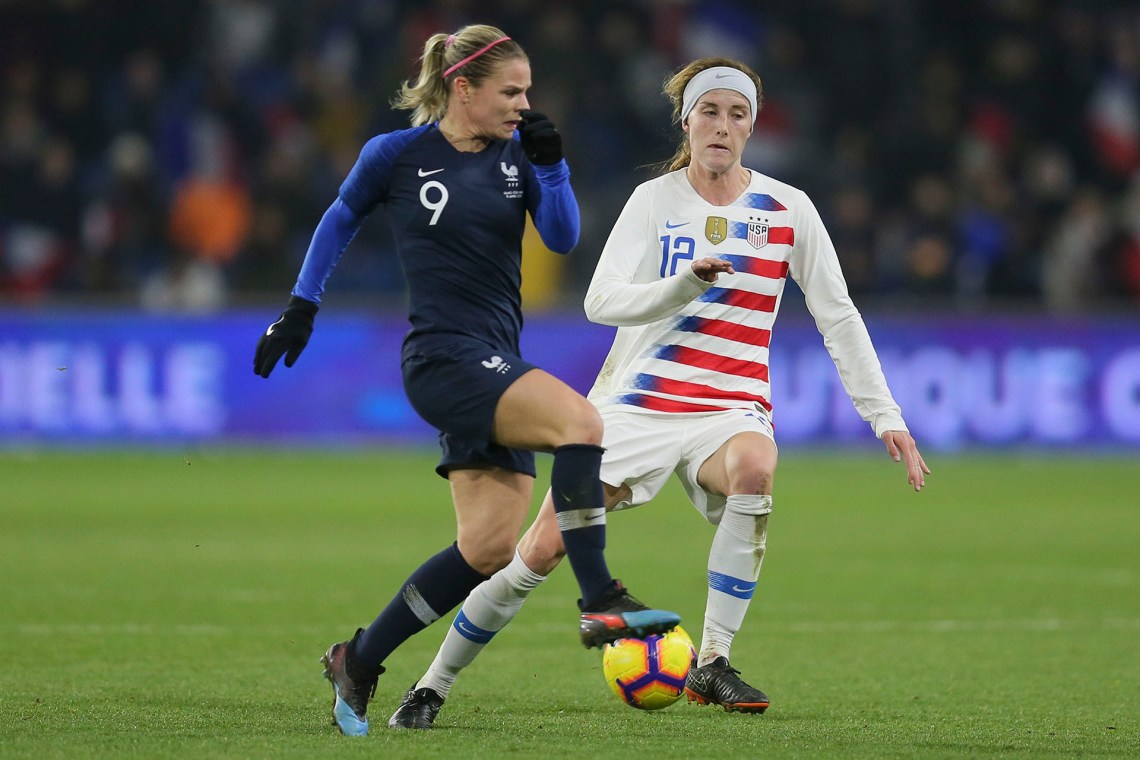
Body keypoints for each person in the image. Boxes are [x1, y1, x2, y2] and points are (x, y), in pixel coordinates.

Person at [387, 56, 930, 729]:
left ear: (752, 127)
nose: (723, 125)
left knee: (756, 468)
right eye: (710, 111)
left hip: (729, 409)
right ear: (687, 120)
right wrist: (685, 284)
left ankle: (713, 660)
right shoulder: (654, 202)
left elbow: (838, 314)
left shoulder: (789, 209)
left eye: (738, 114)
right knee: (540, 551)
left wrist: (886, 417)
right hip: (634, 407)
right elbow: (599, 299)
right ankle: (432, 684)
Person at [252, 24, 680, 737]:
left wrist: (553, 168)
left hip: (491, 359)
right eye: (510, 91)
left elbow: (566, 237)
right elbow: (338, 219)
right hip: (442, 359)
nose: (523, 104)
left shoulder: (518, 158)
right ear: (462, 88)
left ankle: (358, 657)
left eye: (528, 92)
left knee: (487, 549)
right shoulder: (395, 154)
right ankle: (600, 595)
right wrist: (301, 308)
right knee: (583, 424)